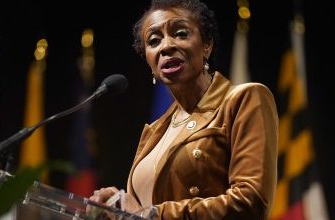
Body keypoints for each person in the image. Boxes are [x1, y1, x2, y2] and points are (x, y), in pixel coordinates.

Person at [89, 0, 278, 219]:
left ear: (207, 44)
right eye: (154, 41)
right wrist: (117, 205)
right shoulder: (156, 130)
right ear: (149, 61)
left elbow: (251, 200)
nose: (166, 46)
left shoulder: (244, 99)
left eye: (180, 33)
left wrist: (154, 214)